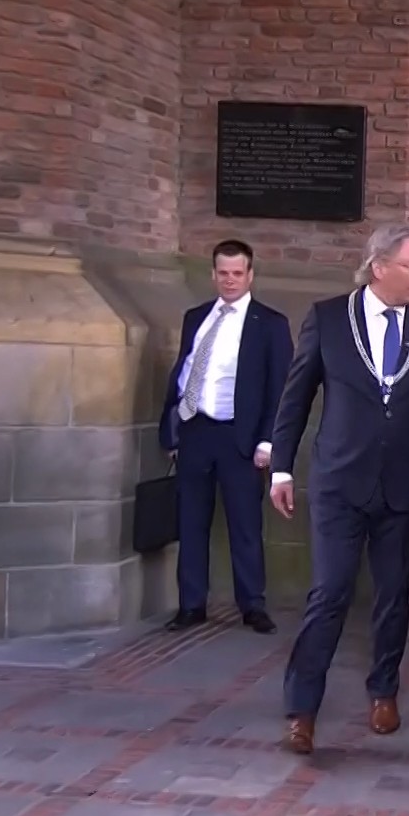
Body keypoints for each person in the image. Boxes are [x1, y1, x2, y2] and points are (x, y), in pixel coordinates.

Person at [267, 225, 409, 755]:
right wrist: (281, 468)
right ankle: (301, 710)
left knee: (392, 593)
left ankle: (384, 690)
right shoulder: (328, 319)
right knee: (329, 593)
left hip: (406, 483)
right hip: (340, 481)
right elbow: (295, 398)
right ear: (379, 267)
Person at [159, 240, 293, 634]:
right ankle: (191, 605)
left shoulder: (270, 324)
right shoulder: (196, 317)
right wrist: (173, 430)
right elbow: (184, 371)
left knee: (245, 525)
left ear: (250, 275)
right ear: (213, 274)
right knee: (191, 522)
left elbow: (280, 388)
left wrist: (268, 442)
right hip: (195, 431)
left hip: (240, 437)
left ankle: (252, 605)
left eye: (237, 273)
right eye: (223, 273)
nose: (230, 280)